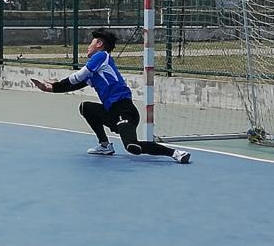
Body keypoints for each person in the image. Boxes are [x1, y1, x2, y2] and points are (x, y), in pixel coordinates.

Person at [31, 27, 191, 164]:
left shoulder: (101, 56)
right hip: (111, 112)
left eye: (91, 43)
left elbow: (78, 76)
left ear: (99, 44)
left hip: (124, 110)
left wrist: (56, 85)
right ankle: (105, 145)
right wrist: (49, 89)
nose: (88, 47)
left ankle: (175, 153)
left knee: (132, 147)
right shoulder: (95, 72)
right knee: (86, 107)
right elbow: (75, 84)